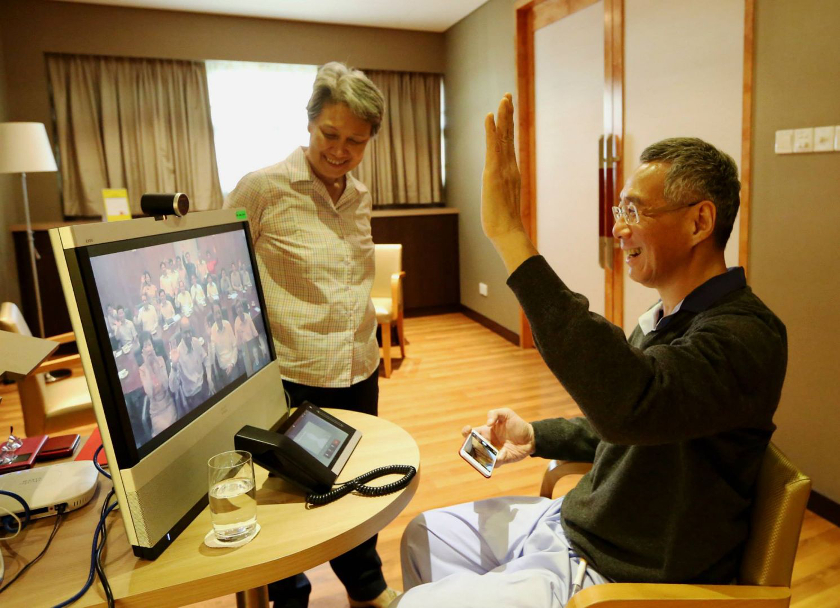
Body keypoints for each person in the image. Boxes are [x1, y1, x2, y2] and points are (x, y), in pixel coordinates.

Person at [395, 95, 788, 608]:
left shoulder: (746, 337)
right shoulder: (667, 318)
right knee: (423, 535)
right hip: (574, 526)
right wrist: (534, 435)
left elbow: (634, 405)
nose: (619, 227)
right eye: (619, 208)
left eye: (634, 210)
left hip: (619, 572)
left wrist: (511, 236)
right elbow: (629, 426)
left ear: (699, 222)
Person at [225, 61, 396, 608]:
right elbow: (225, 273)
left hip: (358, 368)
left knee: (354, 483)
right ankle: (288, 592)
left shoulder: (360, 195)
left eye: (356, 141)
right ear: (310, 122)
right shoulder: (263, 188)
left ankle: (365, 586)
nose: (341, 150)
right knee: (288, 498)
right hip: (293, 376)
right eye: (331, 134)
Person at [138, 331, 178, 437]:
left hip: (167, 403)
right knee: (163, 432)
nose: (148, 348)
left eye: (149, 344)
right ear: (142, 351)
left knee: (172, 428)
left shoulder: (160, 360)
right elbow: (150, 394)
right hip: (156, 410)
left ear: (153, 346)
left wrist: (156, 363)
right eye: (145, 346)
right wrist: (148, 366)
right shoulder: (142, 370)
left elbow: (165, 385)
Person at [168, 318, 212, 414]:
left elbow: (206, 359)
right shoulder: (178, 353)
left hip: (203, 385)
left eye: (189, 332)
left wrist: (209, 377)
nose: (188, 336)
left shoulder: (196, 342)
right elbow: (173, 388)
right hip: (193, 395)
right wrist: (174, 365)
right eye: (185, 333)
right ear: (180, 332)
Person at [209, 302, 240, 384]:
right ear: (213, 316)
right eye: (216, 314)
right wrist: (209, 342)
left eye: (219, 312)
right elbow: (211, 359)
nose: (218, 316)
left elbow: (235, 346)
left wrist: (232, 363)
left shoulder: (227, 324)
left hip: (233, 363)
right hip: (223, 368)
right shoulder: (212, 331)